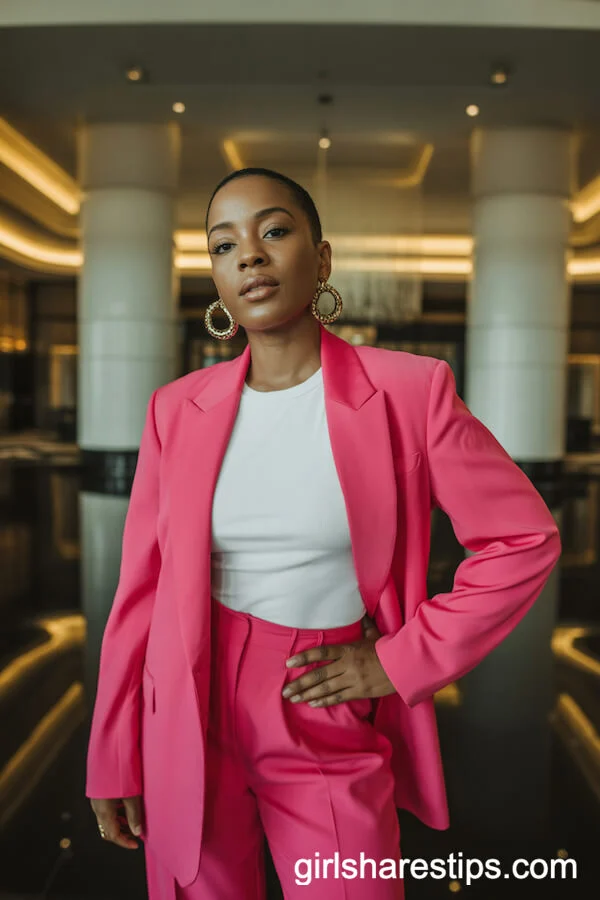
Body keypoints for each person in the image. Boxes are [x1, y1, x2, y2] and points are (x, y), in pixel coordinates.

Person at [85, 167, 562, 899]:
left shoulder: (409, 390)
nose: (249, 255)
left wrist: (399, 660)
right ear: (216, 278)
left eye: (274, 231)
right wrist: (112, 755)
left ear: (322, 258)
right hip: (185, 705)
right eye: (224, 245)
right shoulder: (176, 409)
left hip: (321, 695)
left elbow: (523, 540)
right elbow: (140, 593)